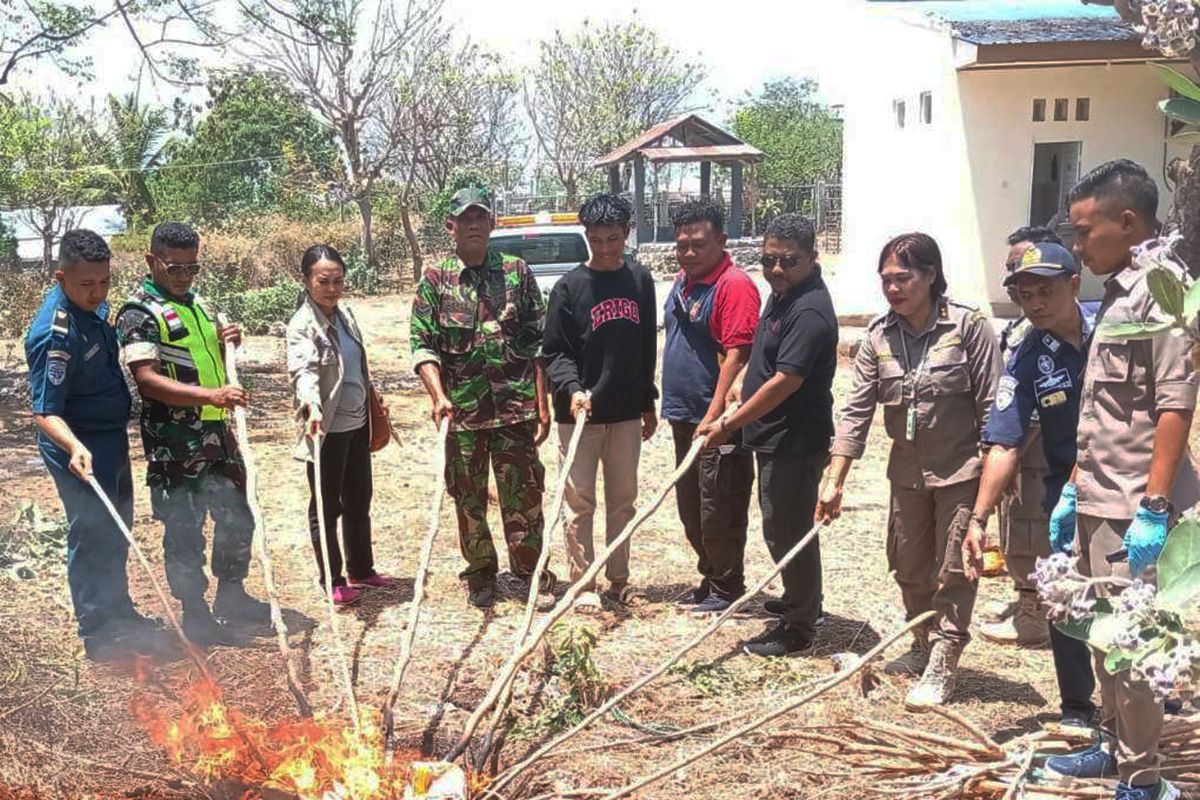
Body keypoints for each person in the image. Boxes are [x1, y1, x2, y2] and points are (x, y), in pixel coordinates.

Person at [1041, 159, 1197, 800]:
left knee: (1134, 646)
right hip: (1100, 496)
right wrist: (1074, 486)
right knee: (1103, 634)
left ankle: (1143, 778)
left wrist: (1155, 505)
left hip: (1136, 502)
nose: (1078, 245)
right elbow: (1102, 410)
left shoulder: (1161, 291)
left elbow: (1173, 406)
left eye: (1085, 231)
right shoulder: (1118, 292)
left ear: (1128, 222)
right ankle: (1112, 747)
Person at [816, 232, 1000, 707]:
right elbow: (855, 413)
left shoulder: (969, 327)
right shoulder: (879, 337)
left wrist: (994, 487)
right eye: (886, 280)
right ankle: (922, 642)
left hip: (963, 472)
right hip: (908, 475)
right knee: (908, 568)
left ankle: (944, 659)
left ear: (931, 275)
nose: (893, 289)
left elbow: (993, 409)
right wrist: (834, 480)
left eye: (904, 278)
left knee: (953, 569)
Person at [960, 241, 1097, 730]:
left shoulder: (1116, 329)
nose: (1035, 303)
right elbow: (1004, 442)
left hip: (1131, 485)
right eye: (1024, 295)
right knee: (1064, 595)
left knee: (1131, 595)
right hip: (1066, 490)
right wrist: (978, 519)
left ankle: (1149, 701)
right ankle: (1078, 706)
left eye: (1045, 291)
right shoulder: (1027, 356)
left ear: (1074, 285)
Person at [116, 221, 270, 647]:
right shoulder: (138, 314)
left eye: (192, 268)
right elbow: (146, 380)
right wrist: (213, 394)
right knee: (184, 529)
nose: (184, 276)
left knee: (237, 516)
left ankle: (231, 596)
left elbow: (200, 359)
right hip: (176, 443)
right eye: (174, 268)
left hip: (217, 434)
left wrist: (225, 344)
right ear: (151, 261)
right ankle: (196, 613)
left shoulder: (198, 304)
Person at [24, 230, 173, 661]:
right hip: (78, 447)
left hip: (109, 439)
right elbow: (44, 411)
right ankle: (97, 631)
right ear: (60, 277)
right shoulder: (54, 335)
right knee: (92, 530)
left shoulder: (94, 309)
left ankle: (119, 611)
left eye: (104, 282)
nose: (97, 292)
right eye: (86, 285)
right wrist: (73, 446)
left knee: (118, 526)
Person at [699, 214, 837, 656]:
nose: (776, 269)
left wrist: (729, 425)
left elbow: (786, 380)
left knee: (788, 529)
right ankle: (801, 599)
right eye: (769, 259)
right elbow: (764, 357)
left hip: (794, 440)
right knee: (781, 526)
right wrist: (741, 386)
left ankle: (800, 627)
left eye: (789, 261)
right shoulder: (783, 295)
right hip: (773, 434)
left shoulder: (809, 309)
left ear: (812, 259)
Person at [410, 187, 554, 609]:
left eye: (481, 217)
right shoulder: (435, 280)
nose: (474, 224)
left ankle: (529, 574)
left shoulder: (517, 272)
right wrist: (438, 396)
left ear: (492, 223)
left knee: (524, 497)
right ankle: (481, 575)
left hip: (515, 409)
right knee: (468, 499)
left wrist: (542, 402)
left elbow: (538, 342)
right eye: (465, 218)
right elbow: (422, 346)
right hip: (463, 415)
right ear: (450, 226)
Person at [542, 194, 658, 611]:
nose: (605, 248)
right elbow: (554, 352)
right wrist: (572, 388)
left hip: (626, 412)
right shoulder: (569, 287)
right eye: (596, 239)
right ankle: (583, 583)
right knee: (580, 502)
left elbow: (647, 347)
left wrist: (648, 402)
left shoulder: (641, 281)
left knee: (623, 500)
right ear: (586, 237)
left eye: (613, 238)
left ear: (626, 234)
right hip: (579, 416)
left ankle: (618, 578)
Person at [661, 198, 760, 616]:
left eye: (697, 244)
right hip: (684, 416)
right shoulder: (683, 283)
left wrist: (715, 414)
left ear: (721, 240)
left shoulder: (733, 285)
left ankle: (727, 586)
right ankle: (711, 577)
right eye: (681, 245)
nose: (687, 253)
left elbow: (738, 354)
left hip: (716, 423)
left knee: (719, 506)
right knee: (692, 507)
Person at [287, 244, 395, 607]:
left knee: (359, 500)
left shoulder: (345, 315)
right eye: (323, 281)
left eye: (338, 281)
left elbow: (359, 367)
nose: (332, 288)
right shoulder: (303, 326)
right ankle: (332, 579)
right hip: (326, 430)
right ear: (306, 281)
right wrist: (311, 406)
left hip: (357, 427)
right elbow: (304, 372)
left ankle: (361, 569)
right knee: (325, 507)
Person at [979, 225, 1068, 648]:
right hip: (1016, 448)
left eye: (1024, 267)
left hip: (1039, 454)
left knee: (1033, 532)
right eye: (1012, 272)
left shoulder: (1067, 330)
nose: (1017, 281)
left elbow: (1035, 415)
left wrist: (1012, 456)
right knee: (1017, 529)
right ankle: (1028, 600)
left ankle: (1035, 615)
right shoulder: (1024, 330)